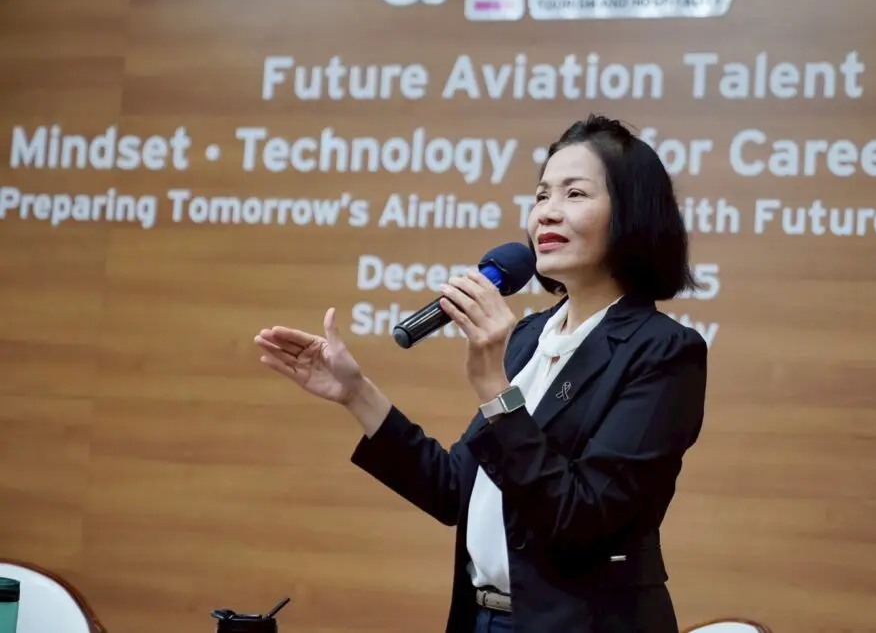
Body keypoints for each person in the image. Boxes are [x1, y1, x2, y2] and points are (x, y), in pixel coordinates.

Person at [254, 114, 708, 633]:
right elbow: (456, 489)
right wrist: (355, 393)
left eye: (575, 194)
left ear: (632, 213)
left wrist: (494, 385)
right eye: (541, 196)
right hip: (481, 618)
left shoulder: (663, 352)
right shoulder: (531, 335)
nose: (547, 212)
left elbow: (581, 519)